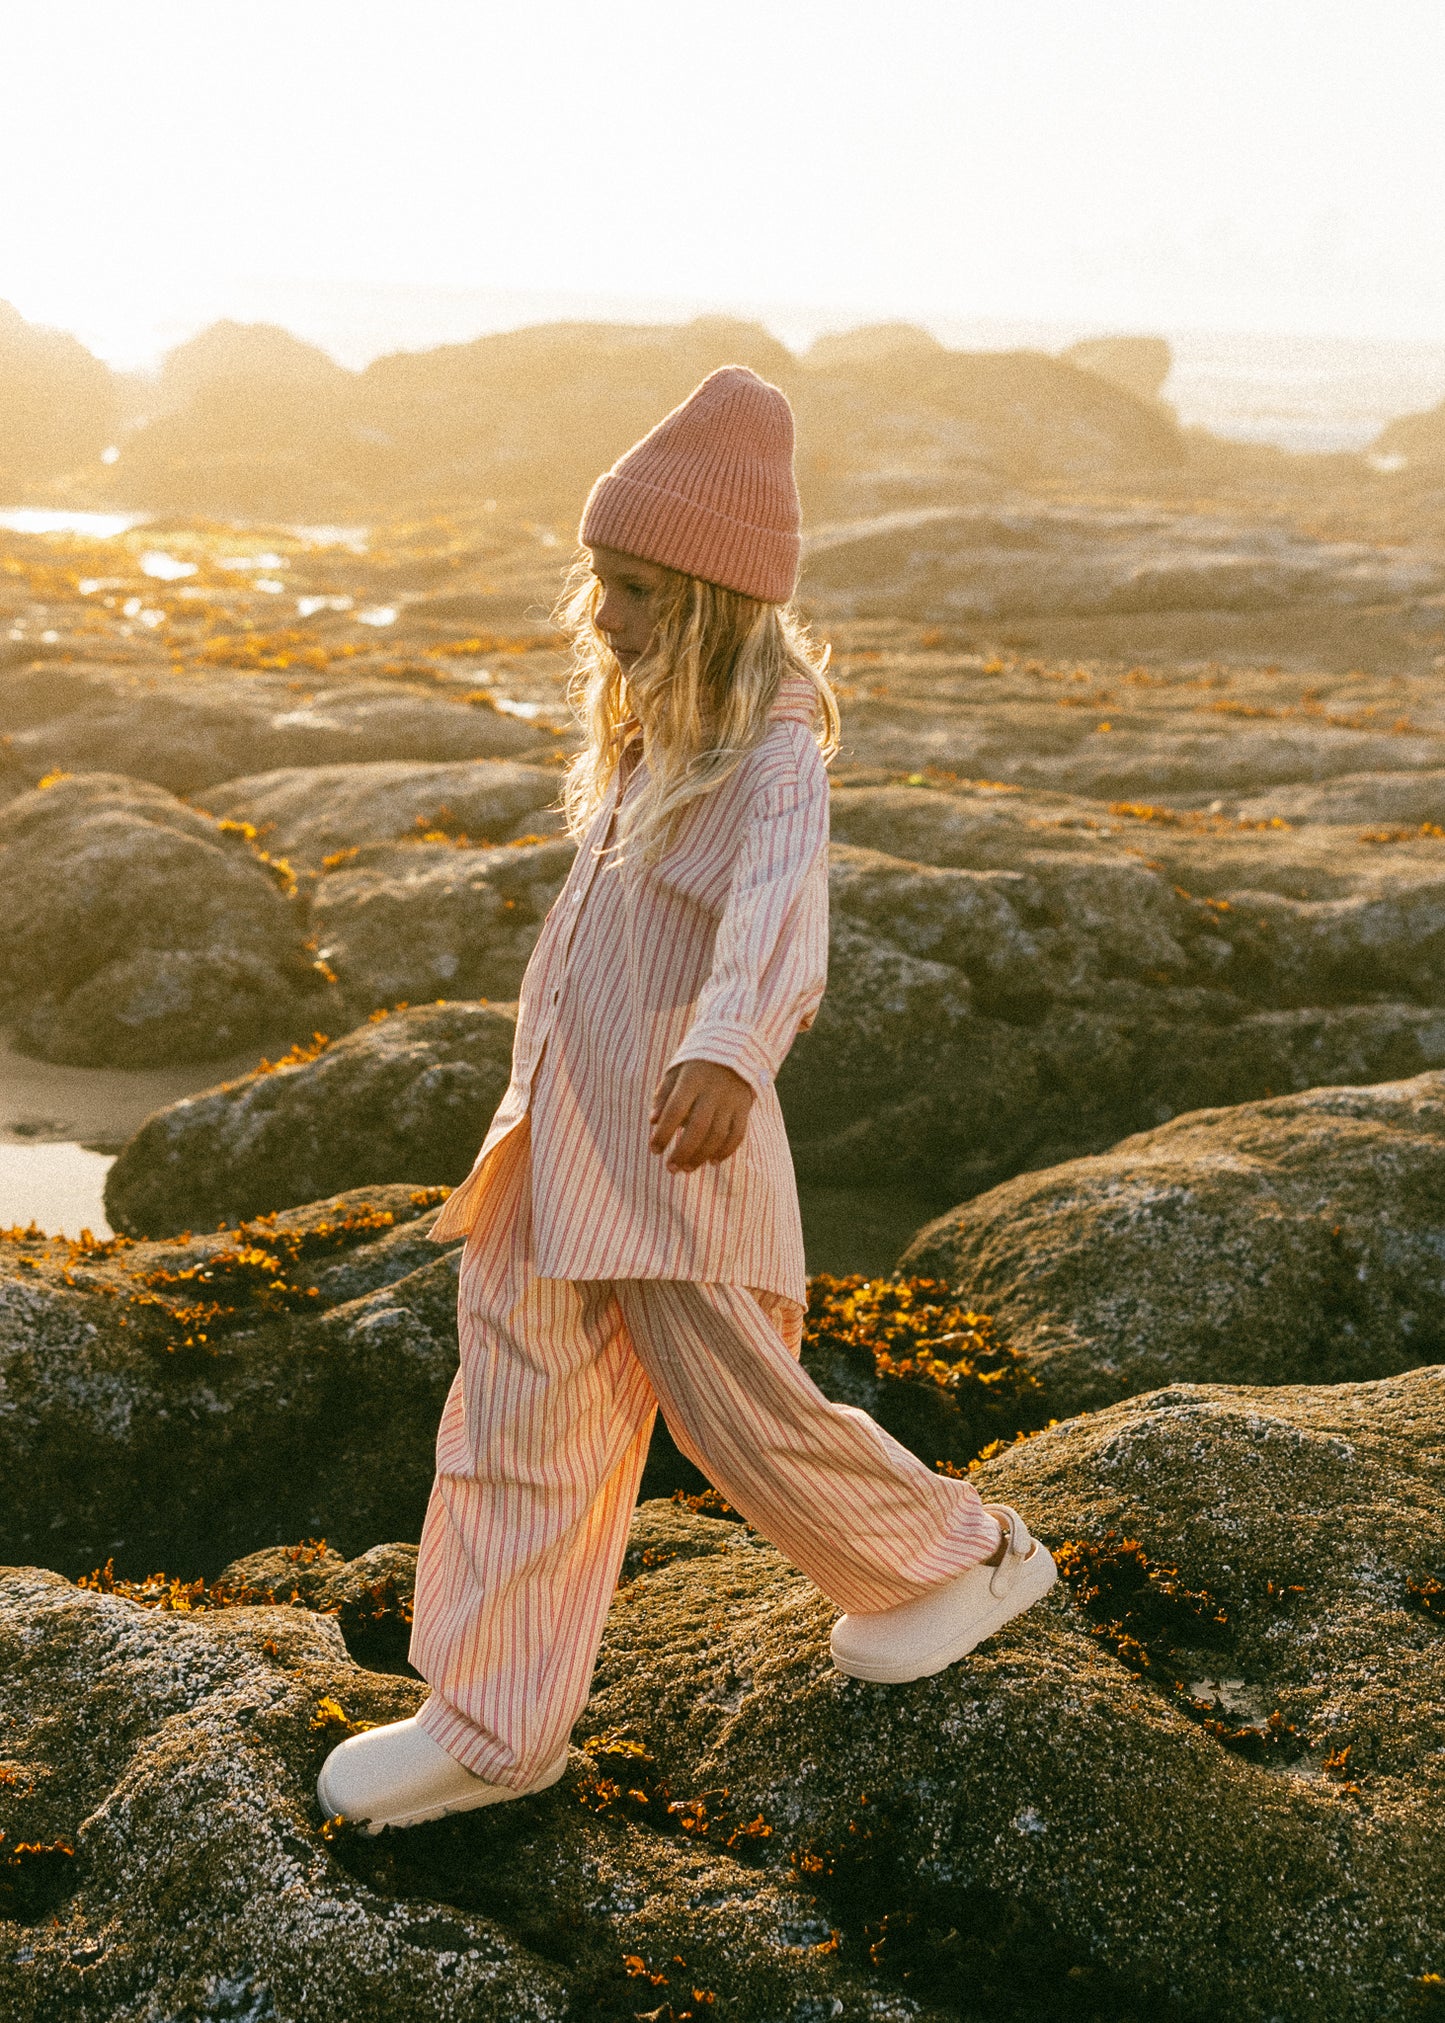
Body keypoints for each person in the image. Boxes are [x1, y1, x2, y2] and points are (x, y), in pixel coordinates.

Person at [317, 365, 1056, 1833]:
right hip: (556, 1142)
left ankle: (955, 1558)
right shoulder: (648, 730)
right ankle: (491, 1720)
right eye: (600, 581)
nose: (606, 616)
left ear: (719, 601)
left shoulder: (770, 750)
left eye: (640, 590)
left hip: (676, 1150)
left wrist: (728, 1049)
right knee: (514, 1427)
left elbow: (773, 919)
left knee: (741, 1415)